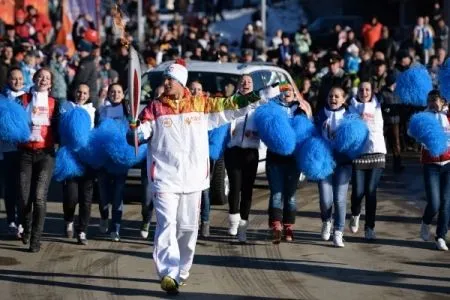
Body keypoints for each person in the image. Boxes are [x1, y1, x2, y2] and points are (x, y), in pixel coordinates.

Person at [131, 60, 273, 294]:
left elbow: (231, 106)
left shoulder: (200, 104)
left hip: (194, 178)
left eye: (171, 80)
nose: (166, 83)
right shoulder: (154, 108)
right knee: (166, 224)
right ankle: (168, 273)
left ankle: (182, 272)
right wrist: (135, 133)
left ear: (181, 83)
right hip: (165, 177)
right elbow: (142, 131)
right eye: (165, 79)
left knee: (187, 228)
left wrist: (257, 95)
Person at [18, 68, 59, 252]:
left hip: (46, 154)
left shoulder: (55, 104)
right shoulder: (23, 100)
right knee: (24, 198)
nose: (43, 79)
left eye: (47, 78)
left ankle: (36, 239)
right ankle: (26, 227)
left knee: (39, 197)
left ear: (50, 83)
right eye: (40, 76)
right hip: (25, 153)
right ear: (34, 79)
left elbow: (60, 130)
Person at [266, 83, 305, 243]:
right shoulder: (272, 108)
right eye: (284, 90)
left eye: (290, 90)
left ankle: (288, 226)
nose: (287, 92)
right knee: (276, 193)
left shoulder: (300, 111)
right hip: (274, 157)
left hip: (293, 159)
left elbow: (305, 133)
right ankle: (276, 225)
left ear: (295, 94)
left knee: (290, 195)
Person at [348, 81, 386, 240]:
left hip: (377, 153)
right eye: (362, 89)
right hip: (359, 154)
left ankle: (370, 227)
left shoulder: (379, 105)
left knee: (371, 191)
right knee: (357, 192)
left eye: (367, 89)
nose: (364, 92)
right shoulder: (351, 107)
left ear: (372, 91)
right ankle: (355, 213)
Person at [224, 75, 260, 243]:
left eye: (249, 82)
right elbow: (222, 120)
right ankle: (233, 221)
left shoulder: (259, 104)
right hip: (233, 150)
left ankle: (243, 227)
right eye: (243, 81)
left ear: (253, 86)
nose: (246, 84)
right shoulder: (231, 101)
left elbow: (266, 126)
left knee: (247, 190)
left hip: (251, 152)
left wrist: (255, 133)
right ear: (238, 84)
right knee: (235, 187)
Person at [315, 87, 352, 247]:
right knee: (325, 199)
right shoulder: (320, 114)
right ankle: (326, 221)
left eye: (337, 96)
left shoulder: (350, 116)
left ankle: (338, 232)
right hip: (324, 162)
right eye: (331, 96)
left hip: (343, 163)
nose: (333, 99)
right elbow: (313, 135)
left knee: (339, 199)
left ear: (344, 99)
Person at [60, 83, 96, 245]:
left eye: (85, 93)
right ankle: (68, 220)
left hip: (88, 158)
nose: (81, 95)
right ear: (74, 92)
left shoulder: (94, 111)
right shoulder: (65, 108)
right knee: (71, 196)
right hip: (69, 159)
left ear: (89, 95)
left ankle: (82, 231)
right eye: (79, 92)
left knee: (86, 198)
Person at [418, 90, 450, 251]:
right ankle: (425, 221)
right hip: (430, 165)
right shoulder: (423, 117)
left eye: (435, 100)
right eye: (429, 100)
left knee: (446, 203)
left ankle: (440, 237)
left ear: (443, 101)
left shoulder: (448, 116)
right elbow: (413, 134)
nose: (432, 103)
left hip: (448, 164)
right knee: (435, 203)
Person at [97, 83, 128, 242]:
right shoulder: (102, 109)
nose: (115, 94)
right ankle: (104, 216)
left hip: (120, 160)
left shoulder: (127, 110)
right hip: (103, 158)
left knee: (118, 196)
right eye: (113, 91)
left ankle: (115, 228)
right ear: (108, 94)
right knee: (103, 195)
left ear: (123, 94)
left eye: (119, 91)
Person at [0, 68, 26, 238]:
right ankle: (11, 219)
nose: (17, 82)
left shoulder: (28, 98)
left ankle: (23, 221)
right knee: (9, 187)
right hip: (7, 149)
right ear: (8, 80)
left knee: (23, 187)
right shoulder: (2, 98)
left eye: (20, 79)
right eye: (14, 78)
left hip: (25, 149)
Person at [378, 73, 404, 173]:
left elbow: (401, 105)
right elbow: (379, 105)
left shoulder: (398, 92)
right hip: (385, 121)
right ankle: (381, 165)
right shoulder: (383, 92)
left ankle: (397, 165)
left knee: (396, 144)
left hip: (395, 122)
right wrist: (386, 109)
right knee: (383, 143)